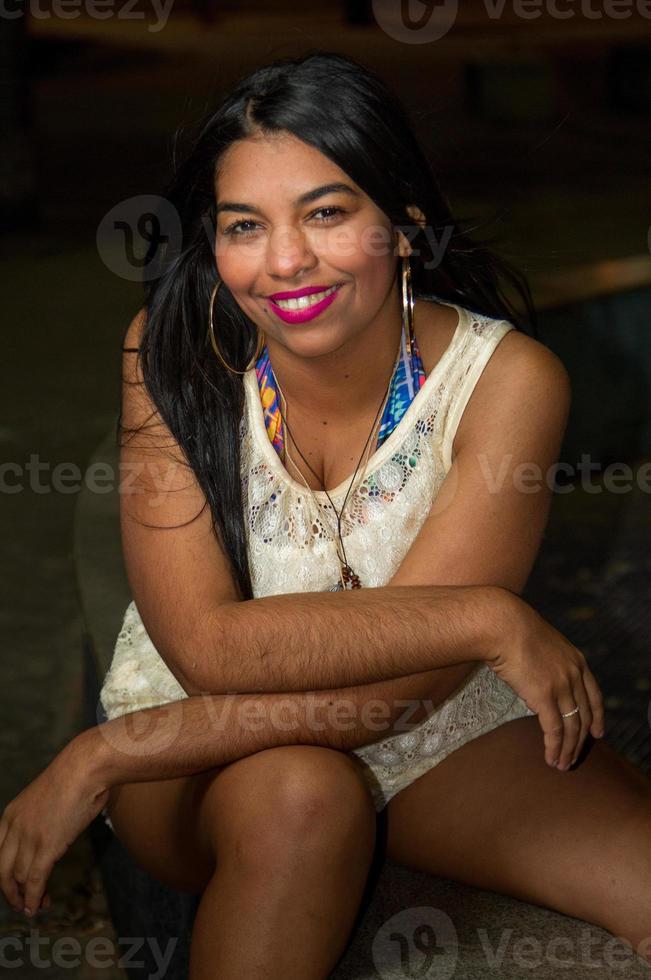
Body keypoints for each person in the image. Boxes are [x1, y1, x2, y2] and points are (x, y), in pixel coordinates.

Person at [1, 51, 650, 979]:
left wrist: (94, 756)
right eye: (244, 226)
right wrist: (487, 615)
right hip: (194, 730)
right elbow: (208, 651)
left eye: (327, 212)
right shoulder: (172, 349)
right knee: (302, 794)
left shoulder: (503, 382)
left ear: (404, 223)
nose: (285, 261)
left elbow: (412, 690)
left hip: (431, 718)